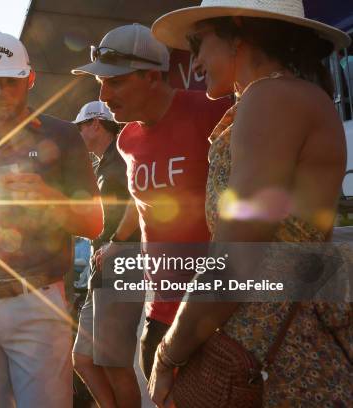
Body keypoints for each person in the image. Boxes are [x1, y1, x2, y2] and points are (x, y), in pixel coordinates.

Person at [149, 1, 352, 406]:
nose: (196, 58)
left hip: (273, 363)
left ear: (238, 31)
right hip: (277, 350)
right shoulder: (275, 99)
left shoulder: (270, 97)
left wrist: (169, 350)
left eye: (198, 41)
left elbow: (236, 255)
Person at [0, 32, 103, 408]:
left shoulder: (63, 136)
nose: (1, 92)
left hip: (37, 301)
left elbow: (94, 223)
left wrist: (49, 198)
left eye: (10, 82)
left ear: (30, 80)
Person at [72, 23, 230, 382]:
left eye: (115, 81)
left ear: (152, 77)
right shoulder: (127, 140)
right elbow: (142, 197)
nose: (104, 94)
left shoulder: (213, 112)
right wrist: (117, 242)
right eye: (101, 83)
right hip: (159, 310)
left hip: (214, 311)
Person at [71, 101, 143, 408]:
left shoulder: (123, 160)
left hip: (122, 264)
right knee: (82, 358)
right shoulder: (103, 164)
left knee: (114, 364)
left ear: (96, 125)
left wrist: (117, 241)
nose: (78, 133)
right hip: (102, 268)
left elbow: (141, 201)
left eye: (80, 127)